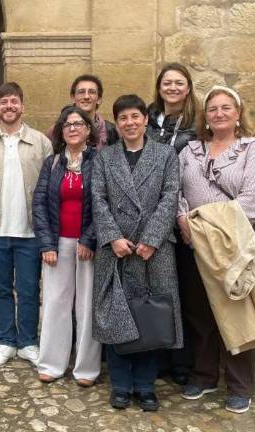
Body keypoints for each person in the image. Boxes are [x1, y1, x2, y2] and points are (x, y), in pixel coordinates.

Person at [177, 86, 255, 414]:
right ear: (205, 116)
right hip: (195, 241)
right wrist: (182, 219)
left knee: (239, 310)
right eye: (212, 109)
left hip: (238, 240)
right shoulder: (190, 150)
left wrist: (206, 222)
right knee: (200, 311)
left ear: (238, 113)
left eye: (225, 108)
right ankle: (204, 375)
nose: (218, 113)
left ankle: (240, 385)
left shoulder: (252, 149)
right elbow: (176, 191)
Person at [90, 94, 182, 412]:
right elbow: (98, 199)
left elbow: (170, 196)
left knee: (149, 316)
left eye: (135, 117)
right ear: (117, 123)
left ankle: (145, 385)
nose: (129, 123)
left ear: (145, 120)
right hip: (116, 250)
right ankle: (120, 384)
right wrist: (113, 237)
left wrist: (151, 239)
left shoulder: (166, 154)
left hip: (153, 251)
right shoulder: (105, 158)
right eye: (123, 118)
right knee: (117, 314)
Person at [0, 82, 54, 367]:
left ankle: (28, 342)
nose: (9, 106)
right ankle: (6, 341)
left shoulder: (41, 142)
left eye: (14, 101)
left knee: (29, 290)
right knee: (1, 288)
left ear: (22, 106)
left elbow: (49, 190)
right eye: (4, 101)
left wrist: (47, 230)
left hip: (30, 230)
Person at [32, 105, 100, 386]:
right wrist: (47, 244)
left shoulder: (100, 161)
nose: (73, 128)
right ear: (61, 131)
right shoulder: (53, 163)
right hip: (57, 244)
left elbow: (104, 204)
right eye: (67, 125)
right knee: (55, 303)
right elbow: (39, 203)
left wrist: (89, 238)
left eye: (78, 124)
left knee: (86, 306)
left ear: (88, 130)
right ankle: (51, 363)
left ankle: (86, 368)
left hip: (87, 246)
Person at [146, 63, 199, 386]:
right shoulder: (149, 118)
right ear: (159, 87)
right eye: (167, 82)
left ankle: (183, 360)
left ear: (188, 87)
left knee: (184, 290)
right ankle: (159, 355)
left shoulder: (197, 123)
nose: (173, 88)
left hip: (182, 215)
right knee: (157, 289)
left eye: (179, 83)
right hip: (150, 216)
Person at [46, 75, 118, 152]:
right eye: (81, 92)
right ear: (73, 98)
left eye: (92, 92)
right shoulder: (56, 130)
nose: (86, 97)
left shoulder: (112, 131)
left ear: (99, 99)